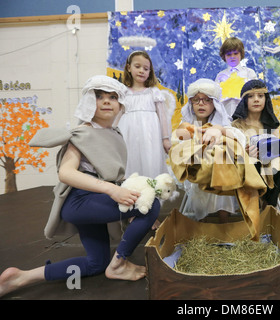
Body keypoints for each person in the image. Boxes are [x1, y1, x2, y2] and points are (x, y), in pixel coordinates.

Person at [0, 75, 160, 298]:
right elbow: (66, 173)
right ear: (87, 103)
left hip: (91, 202)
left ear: (120, 105)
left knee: (96, 264)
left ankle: (20, 277)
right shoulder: (81, 134)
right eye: (99, 96)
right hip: (81, 202)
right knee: (151, 205)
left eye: (112, 97)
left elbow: (110, 173)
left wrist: (126, 191)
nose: (106, 101)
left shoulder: (113, 133)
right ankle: (120, 264)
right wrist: (112, 190)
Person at [174, 78, 237, 223]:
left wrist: (219, 129)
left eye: (206, 100)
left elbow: (235, 138)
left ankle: (223, 222)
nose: (201, 103)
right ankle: (200, 221)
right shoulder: (186, 124)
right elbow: (178, 145)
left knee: (220, 171)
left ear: (214, 104)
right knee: (201, 175)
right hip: (194, 166)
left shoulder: (221, 122)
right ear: (191, 103)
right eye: (196, 100)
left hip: (218, 168)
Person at [230, 79, 280, 208]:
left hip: (270, 165)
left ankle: (268, 205)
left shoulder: (271, 125)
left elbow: (277, 149)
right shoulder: (236, 125)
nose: (256, 100)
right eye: (251, 96)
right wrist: (245, 153)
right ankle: (265, 207)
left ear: (266, 99)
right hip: (247, 167)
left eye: (260, 96)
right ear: (244, 101)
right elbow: (233, 152)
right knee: (255, 165)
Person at [119, 50, 174, 179]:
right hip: (128, 134)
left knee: (150, 159)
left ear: (150, 72)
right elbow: (118, 115)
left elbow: (162, 117)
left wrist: (165, 139)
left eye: (146, 68)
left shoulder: (153, 92)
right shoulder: (123, 93)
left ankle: (151, 191)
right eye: (137, 67)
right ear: (129, 68)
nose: (141, 71)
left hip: (150, 135)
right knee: (131, 160)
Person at [215, 37, 257, 117]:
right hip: (224, 115)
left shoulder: (249, 73)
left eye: (235, 53)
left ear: (241, 54)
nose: (232, 56)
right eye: (229, 54)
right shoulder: (220, 76)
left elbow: (255, 93)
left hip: (246, 114)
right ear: (224, 56)